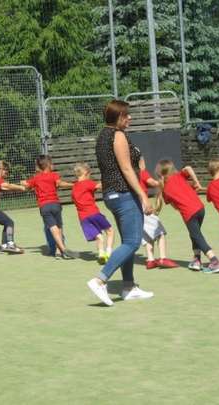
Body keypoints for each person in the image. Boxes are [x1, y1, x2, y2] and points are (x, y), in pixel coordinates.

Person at [87, 100, 154, 306]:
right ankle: (100, 280)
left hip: (112, 195)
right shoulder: (117, 135)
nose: (130, 117)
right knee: (133, 242)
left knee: (128, 241)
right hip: (124, 194)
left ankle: (128, 287)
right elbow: (126, 169)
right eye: (126, 115)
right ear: (117, 117)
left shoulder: (103, 135)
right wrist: (143, 195)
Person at [156, 159, 219, 273]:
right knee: (195, 234)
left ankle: (214, 261)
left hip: (189, 213)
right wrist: (197, 182)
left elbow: (174, 206)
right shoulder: (179, 176)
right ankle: (197, 260)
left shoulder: (165, 190)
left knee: (197, 236)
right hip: (200, 209)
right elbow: (188, 168)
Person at [21, 155, 74, 259]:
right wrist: (73, 185)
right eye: (52, 163)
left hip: (44, 206)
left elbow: (26, 185)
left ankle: (62, 250)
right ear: (48, 165)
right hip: (55, 204)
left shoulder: (36, 178)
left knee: (52, 228)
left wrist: (23, 182)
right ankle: (60, 250)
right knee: (59, 227)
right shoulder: (54, 175)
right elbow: (60, 184)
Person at [138, 158, 178, 270]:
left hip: (133, 207)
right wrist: (163, 182)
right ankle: (163, 258)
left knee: (146, 234)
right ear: (140, 162)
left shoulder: (129, 175)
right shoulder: (141, 172)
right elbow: (152, 182)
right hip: (143, 204)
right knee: (159, 231)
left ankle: (150, 260)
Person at [71, 162, 114, 264]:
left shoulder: (74, 187)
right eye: (89, 173)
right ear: (85, 173)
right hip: (94, 213)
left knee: (98, 236)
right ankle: (108, 253)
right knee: (110, 231)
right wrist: (110, 180)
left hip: (83, 218)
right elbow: (100, 186)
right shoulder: (88, 183)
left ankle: (101, 254)